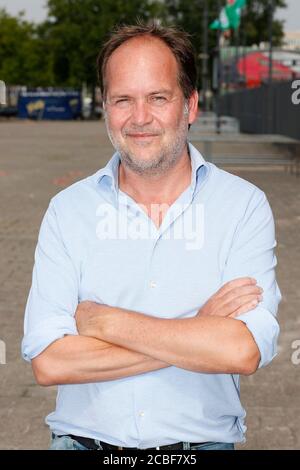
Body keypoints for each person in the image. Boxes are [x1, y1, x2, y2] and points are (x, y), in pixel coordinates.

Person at [22, 21, 281, 451]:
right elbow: (50, 361)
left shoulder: (243, 207)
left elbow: (241, 350)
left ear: (190, 105)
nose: (140, 118)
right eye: (123, 100)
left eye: (158, 98)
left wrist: (104, 322)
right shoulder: (68, 211)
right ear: (106, 106)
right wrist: (199, 330)